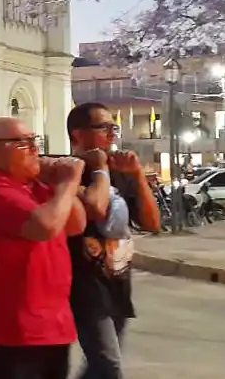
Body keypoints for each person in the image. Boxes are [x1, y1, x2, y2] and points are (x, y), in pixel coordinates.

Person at [0, 117, 86, 379]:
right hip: (7, 333)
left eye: (34, 141)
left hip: (51, 327)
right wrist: (68, 183)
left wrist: (60, 185)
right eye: (24, 142)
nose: (34, 149)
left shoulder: (38, 187)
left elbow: (76, 225)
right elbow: (45, 226)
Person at [66, 103, 162, 379]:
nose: (112, 134)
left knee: (99, 369)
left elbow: (152, 223)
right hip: (85, 287)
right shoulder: (69, 172)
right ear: (77, 135)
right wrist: (101, 170)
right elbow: (95, 208)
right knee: (108, 367)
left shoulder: (120, 170)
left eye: (114, 128)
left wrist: (137, 176)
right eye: (103, 127)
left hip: (117, 284)